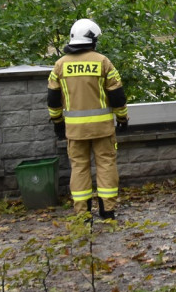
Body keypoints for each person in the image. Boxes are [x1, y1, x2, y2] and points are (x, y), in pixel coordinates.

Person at [47, 19, 129, 220]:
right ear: (92, 39)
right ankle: (107, 210)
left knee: (79, 167)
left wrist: (58, 123)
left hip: (75, 131)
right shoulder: (103, 62)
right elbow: (117, 95)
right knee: (106, 164)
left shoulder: (60, 65)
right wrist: (122, 118)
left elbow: (53, 100)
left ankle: (82, 214)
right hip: (103, 129)